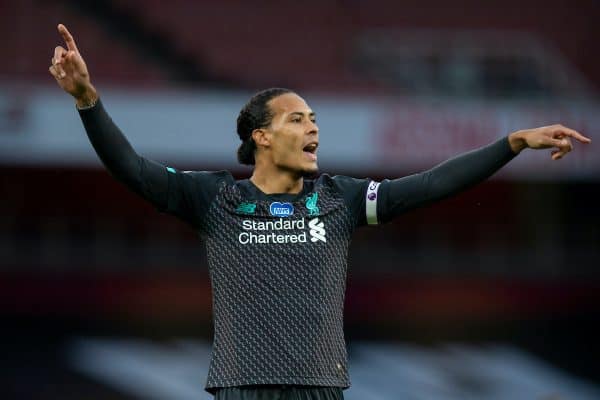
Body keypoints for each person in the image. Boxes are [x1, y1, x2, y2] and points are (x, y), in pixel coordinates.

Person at [49, 23, 590, 400]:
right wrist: (87, 99)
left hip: (322, 387)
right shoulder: (216, 198)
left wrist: (511, 143)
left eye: (314, 118)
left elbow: (429, 186)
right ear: (261, 136)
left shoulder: (341, 199)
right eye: (296, 119)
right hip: (242, 385)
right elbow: (132, 170)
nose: (313, 127)